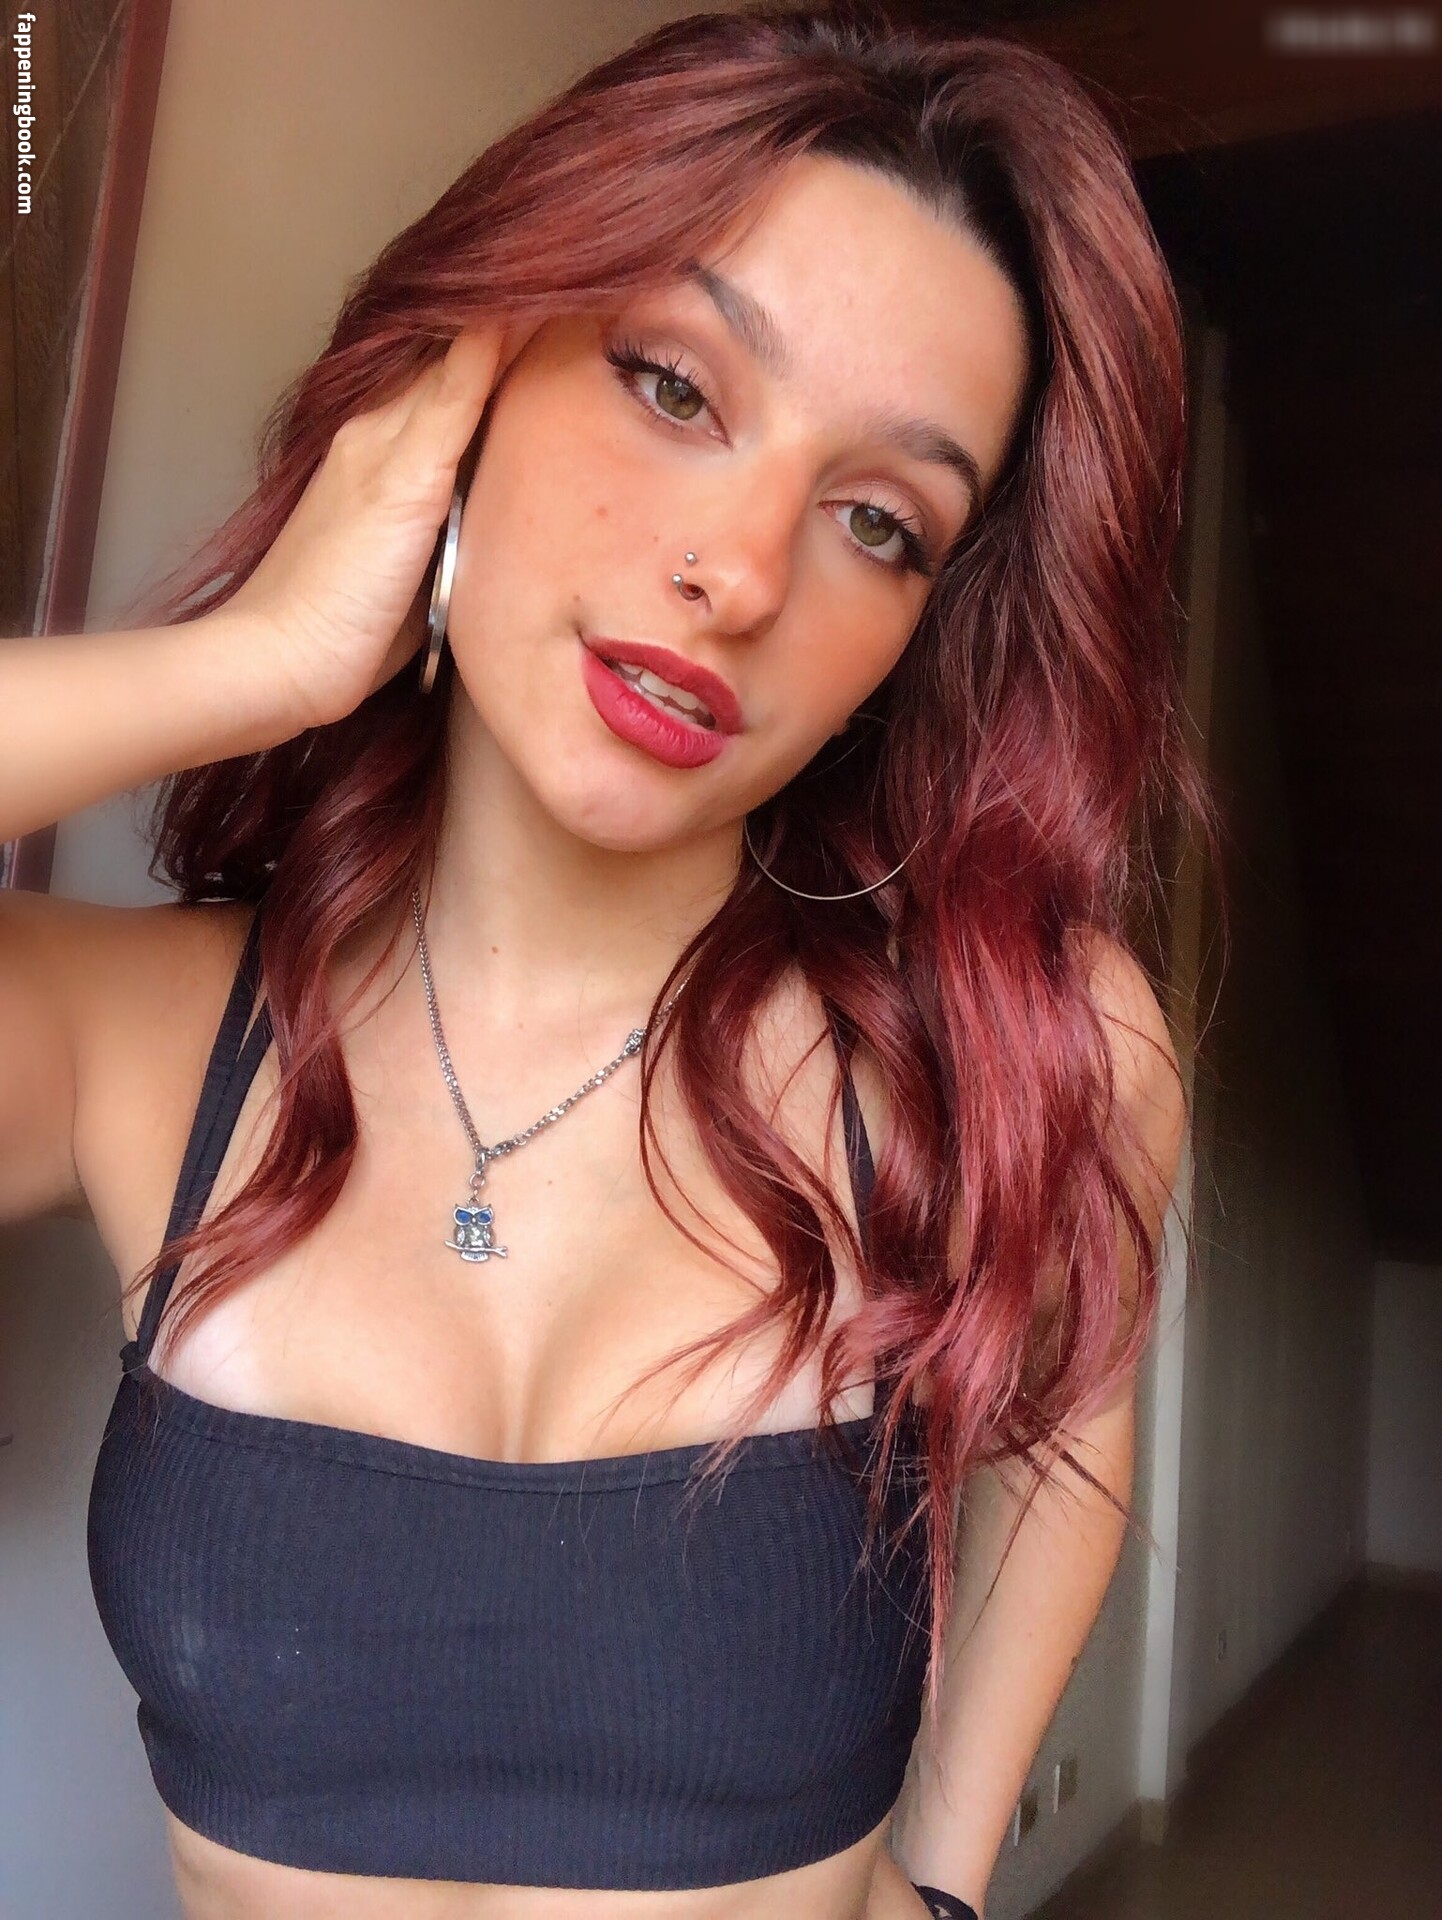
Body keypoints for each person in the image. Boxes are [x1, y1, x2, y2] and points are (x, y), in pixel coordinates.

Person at [0, 5, 1195, 1916]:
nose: (742, 569)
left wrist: (949, 1878)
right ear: (463, 381)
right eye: (672, 385)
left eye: (877, 520)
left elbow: (1074, 1417)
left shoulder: (1009, 1049)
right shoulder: (140, 1043)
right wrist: (258, 662)